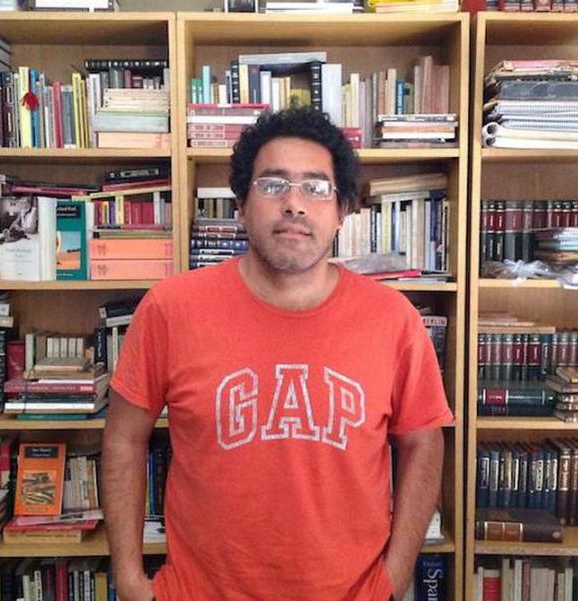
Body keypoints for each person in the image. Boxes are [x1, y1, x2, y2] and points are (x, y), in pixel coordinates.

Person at [103, 107, 452, 601]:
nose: (294, 204)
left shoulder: (394, 319)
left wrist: (392, 579)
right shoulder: (171, 309)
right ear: (241, 204)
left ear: (342, 210)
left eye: (316, 187)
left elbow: (424, 443)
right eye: (272, 185)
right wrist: (128, 578)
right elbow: (123, 438)